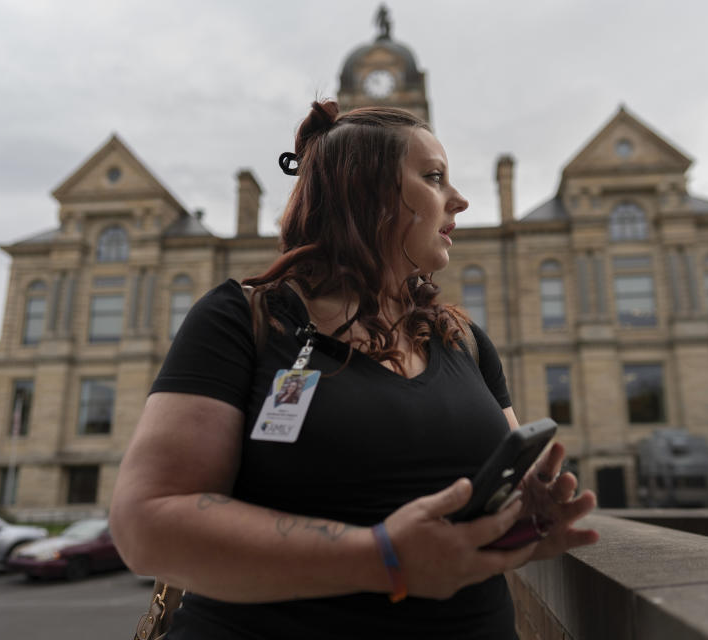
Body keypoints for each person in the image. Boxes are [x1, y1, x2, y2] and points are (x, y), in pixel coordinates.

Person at [109, 101, 598, 639]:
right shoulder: (242, 321)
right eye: (433, 178)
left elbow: (489, 499)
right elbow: (146, 524)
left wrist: (521, 524)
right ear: (365, 194)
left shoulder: (464, 343)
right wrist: (380, 557)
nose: (458, 201)